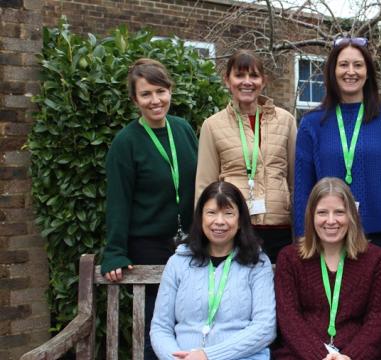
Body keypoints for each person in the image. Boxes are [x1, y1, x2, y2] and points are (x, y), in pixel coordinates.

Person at [101, 58, 198, 360]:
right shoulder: (125, 143)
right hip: (149, 248)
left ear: (170, 90)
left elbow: (201, 184)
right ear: (135, 100)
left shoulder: (183, 129)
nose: (155, 100)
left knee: (192, 325)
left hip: (191, 245)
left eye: (161, 91)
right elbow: (118, 201)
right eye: (146, 94)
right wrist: (115, 251)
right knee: (158, 328)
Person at [294, 36, 381, 260]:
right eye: (343, 65)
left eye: (358, 65)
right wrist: (303, 241)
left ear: (368, 71)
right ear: (332, 71)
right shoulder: (312, 124)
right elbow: (303, 191)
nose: (351, 71)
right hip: (327, 238)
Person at [151, 181, 276, 360]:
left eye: (228, 214)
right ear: (200, 217)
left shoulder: (257, 263)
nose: (219, 221)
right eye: (211, 213)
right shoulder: (178, 262)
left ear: (240, 220)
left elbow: (265, 328)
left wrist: (208, 356)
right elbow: (160, 327)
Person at [195, 49, 297, 263]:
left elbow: (294, 180)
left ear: (264, 80)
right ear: (227, 80)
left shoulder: (286, 120)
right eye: (239, 75)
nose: (247, 82)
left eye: (254, 75)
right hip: (235, 228)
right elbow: (205, 185)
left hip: (279, 228)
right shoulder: (213, 125)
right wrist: (203, 233)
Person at [275, 177, 381, 360]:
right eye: (322, 212)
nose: (331, 221)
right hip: (302, 355)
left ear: (351, 215)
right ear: (311, 216)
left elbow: (377, 319)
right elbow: (290, 319)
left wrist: (349, 357)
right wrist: (320, 356)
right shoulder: (289, 259)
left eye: (339, 212)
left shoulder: (375, 259)